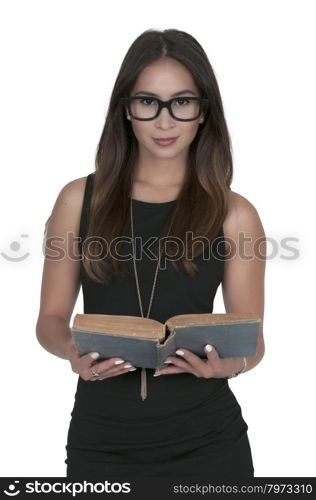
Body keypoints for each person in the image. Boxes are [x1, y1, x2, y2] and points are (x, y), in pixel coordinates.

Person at [36, 28, 266, 479]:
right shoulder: (77, 200)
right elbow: (49, 320)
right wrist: (70, 351)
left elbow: (252, 340)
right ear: (126, 110)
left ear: (203, 113)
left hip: (208, 441)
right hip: (101, 441)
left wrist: (229, 365)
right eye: (148, 102)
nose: (165, 122)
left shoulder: (235, 213)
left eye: (182, 102)